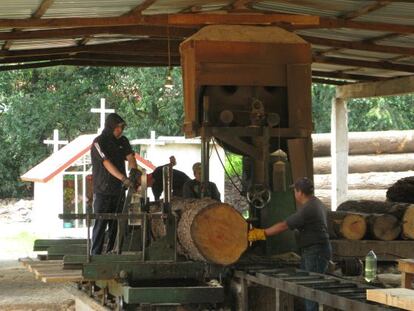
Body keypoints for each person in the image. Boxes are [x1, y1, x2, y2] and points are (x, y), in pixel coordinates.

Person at [248, 177, 331, 311]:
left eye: (295, 191)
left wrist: (261, 233)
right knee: (307, 288)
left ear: (300, 192)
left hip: (315, 252)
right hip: (314, 250)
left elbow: (283, 226)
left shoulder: (308, 209)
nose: (294, 194)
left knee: (311, 291)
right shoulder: (317, 203)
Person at [90, 113, 139, 255]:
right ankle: (95, 256)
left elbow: (130, 157)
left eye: (122, 127)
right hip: (102, 191)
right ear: (111, 126)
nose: (121, 130)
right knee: (100, 225)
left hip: (118, 191)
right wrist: (123, 178)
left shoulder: (123, 141)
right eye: (118, 127)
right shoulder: (98, 142)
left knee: (115, 226)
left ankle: (112, 253)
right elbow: (106, 163)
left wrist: (134, 171)